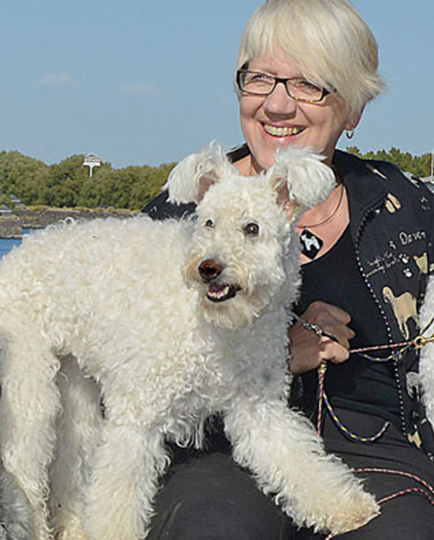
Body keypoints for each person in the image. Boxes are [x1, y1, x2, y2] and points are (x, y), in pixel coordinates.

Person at [143, 0, 434, 538]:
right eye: (260, 79)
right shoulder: (181, 213)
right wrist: (277, 354)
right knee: (215, 528)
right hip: (217, 454)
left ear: (353, 110)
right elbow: (139, 382)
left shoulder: (409, 205)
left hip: (377, 453)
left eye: (308, 85)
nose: (277, 105)